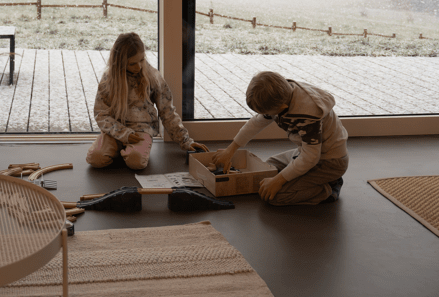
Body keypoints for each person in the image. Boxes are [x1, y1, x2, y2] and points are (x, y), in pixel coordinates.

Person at [212, 71, 348, 206]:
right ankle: (315, 180)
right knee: (266, 169)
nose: (264, 115)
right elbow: (256, 123)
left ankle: (327, 189)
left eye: (266, 113)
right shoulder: (283, 94)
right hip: (309, 153)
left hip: (329, 162)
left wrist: (278, 181)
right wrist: (230, 150)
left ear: (281, 107)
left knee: (275, 196)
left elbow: (310, 158)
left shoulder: (307, 115)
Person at [86, 32, 209, 170]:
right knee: (95, 159)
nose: (138, 66)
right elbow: (101, 113)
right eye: (132, 63)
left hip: (141, 130)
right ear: (119, 62)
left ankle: (128, 152)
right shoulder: (108, 79)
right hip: (115, 130)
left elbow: (167, 112)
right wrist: (123, 134)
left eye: (142, 60)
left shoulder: (152, 76)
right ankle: (120, 149)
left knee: (135, 162)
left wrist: (186, 141)